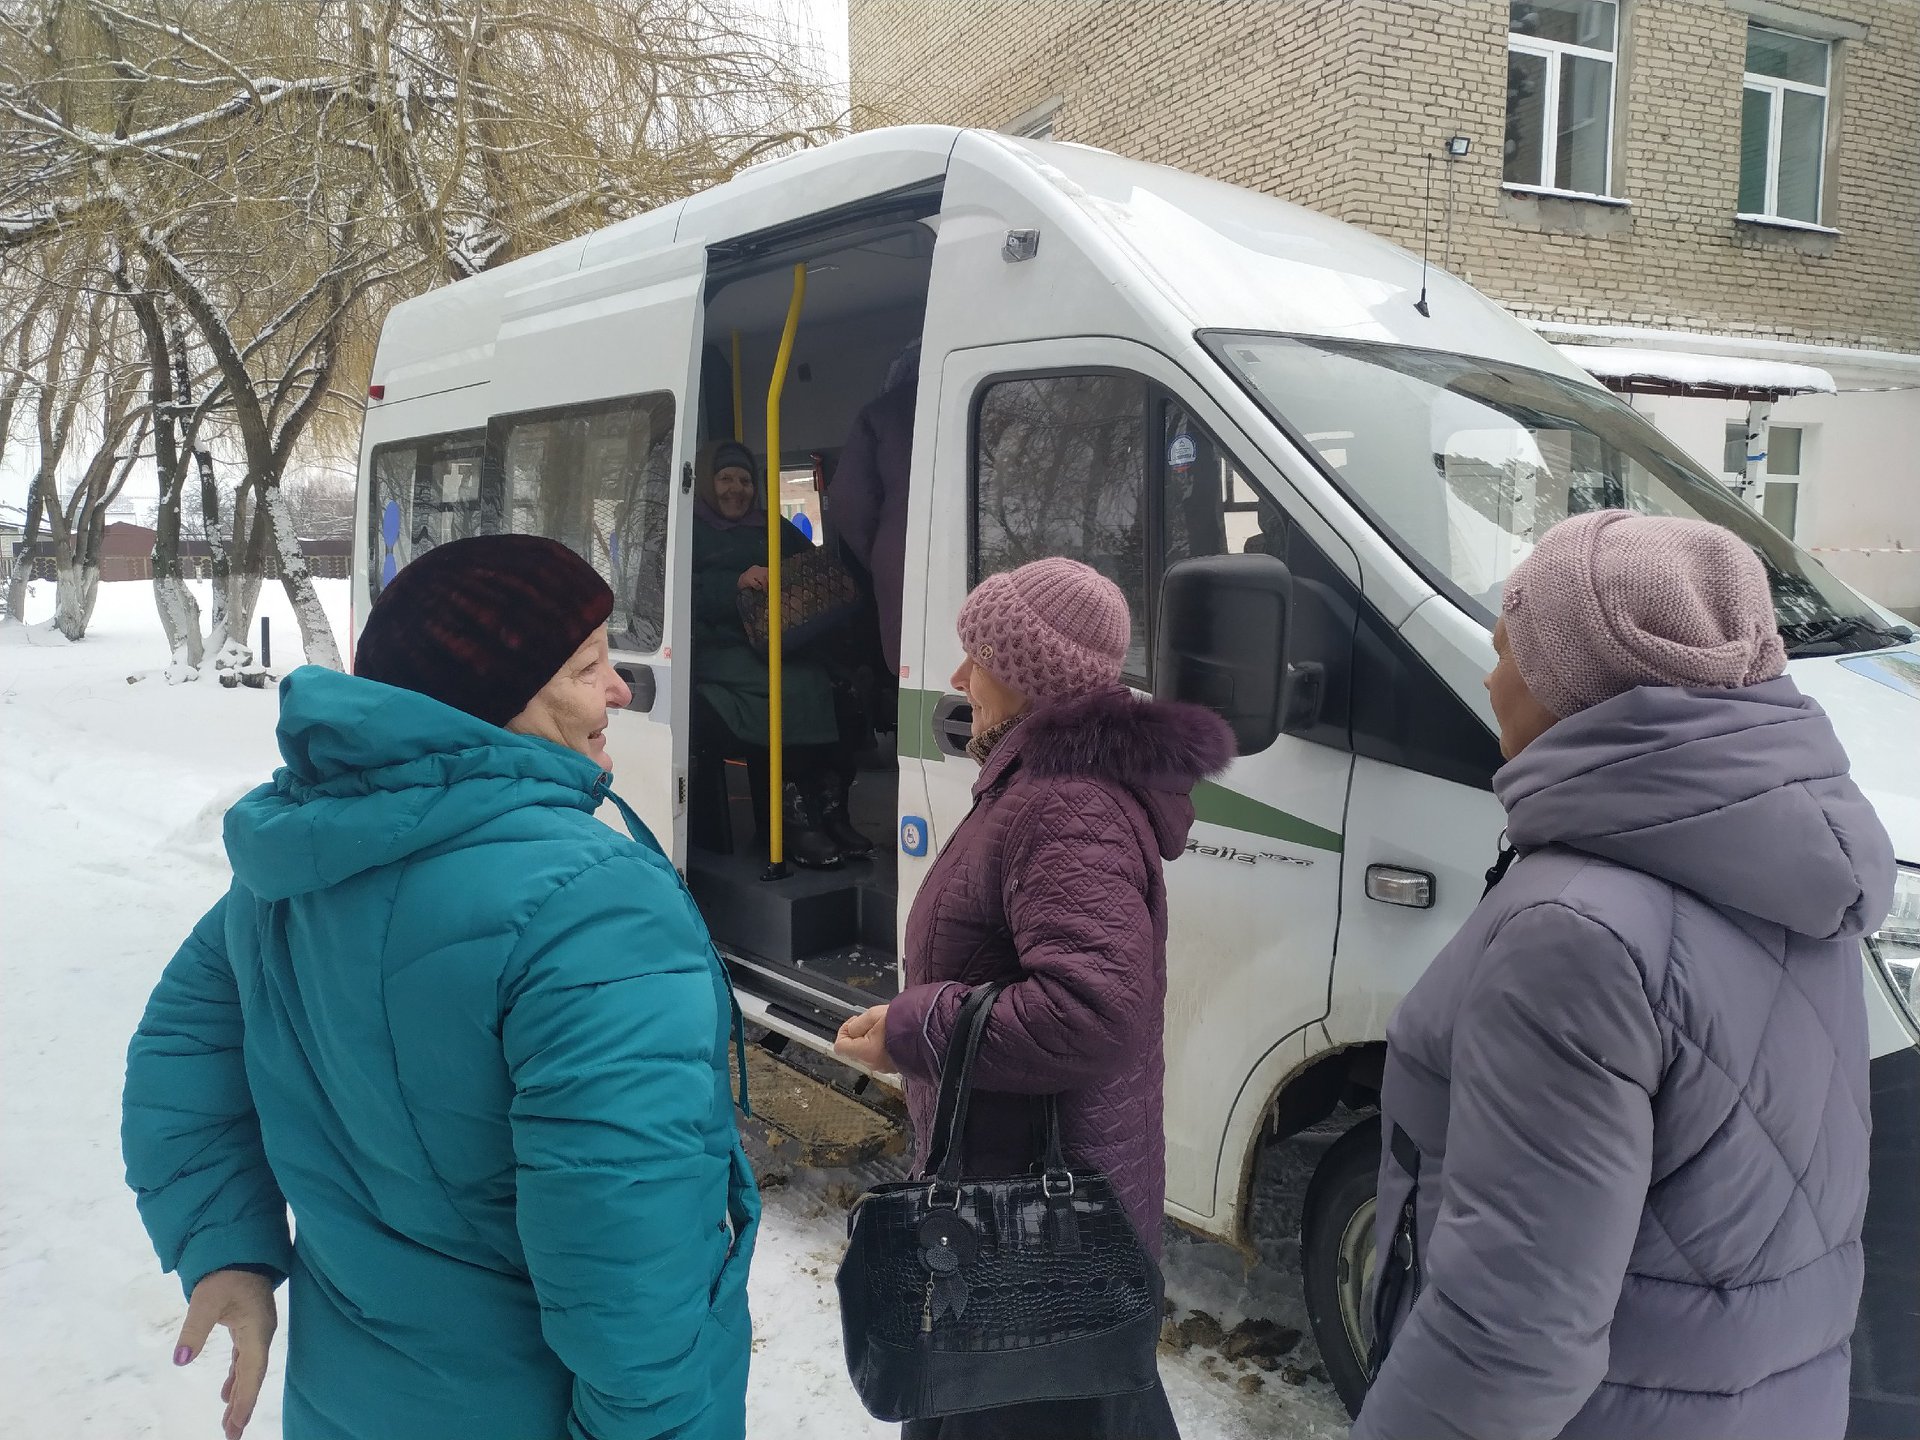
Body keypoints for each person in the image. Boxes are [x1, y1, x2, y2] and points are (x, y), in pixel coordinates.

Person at [121, 534, 759, 1440]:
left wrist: (225, 1247)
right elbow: (625, 1248)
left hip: (350, 1402)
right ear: (500, 698)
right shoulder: (592, 903)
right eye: (588, 667)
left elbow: (182, 1054)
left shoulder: (301, 863)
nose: (619, 690)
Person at [1355, 511, 1896, 1440]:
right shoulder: (1782, 860)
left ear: (1577, 681)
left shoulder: (1573, 933)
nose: (1490, 678)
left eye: (1509, 649)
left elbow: (1514, 1336)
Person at [834, 557, 1235, 1440]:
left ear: (1026, 674)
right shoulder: (1038, 787)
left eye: (975, 655)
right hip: (1024, 1218)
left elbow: (1089, 1010)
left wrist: (913, 1029)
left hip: (1033, 1242)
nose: (958, 678)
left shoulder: (1064, 805)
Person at [691, 439, 869, 867]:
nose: (737, 489)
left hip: (776, 639)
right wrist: (735, 582)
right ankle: (792, 822)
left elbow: (810, 565)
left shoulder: (770, 524)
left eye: (745, 480)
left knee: (841, 686)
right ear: (707, 484)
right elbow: (679, 596)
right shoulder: (689, 530)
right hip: (717, 645)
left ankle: (830, 810)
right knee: (794, 687)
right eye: (725, 478)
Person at [828, 340, 916, 679]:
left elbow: (848, 502)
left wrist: (879, 554)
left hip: (901, 558)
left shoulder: (882, 412)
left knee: (913, 670)